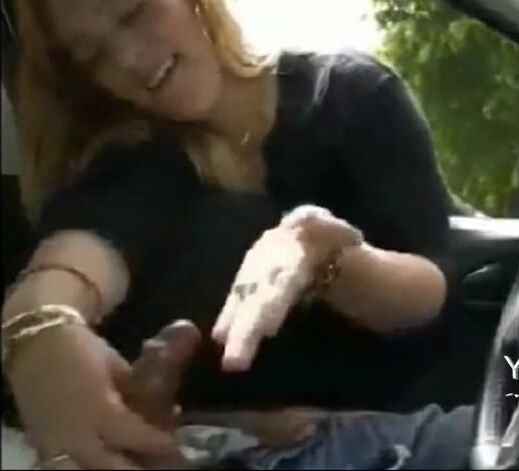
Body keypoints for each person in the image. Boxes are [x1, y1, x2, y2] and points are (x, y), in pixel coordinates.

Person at [2, 0, 462, 468]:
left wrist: (326, 259)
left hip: (394, 432)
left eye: (134, 12)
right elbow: (75, 257)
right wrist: (38, 325)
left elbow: (428, 288)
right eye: (93, 55)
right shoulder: (135, 159)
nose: (129, 59)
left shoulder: (350, 95)